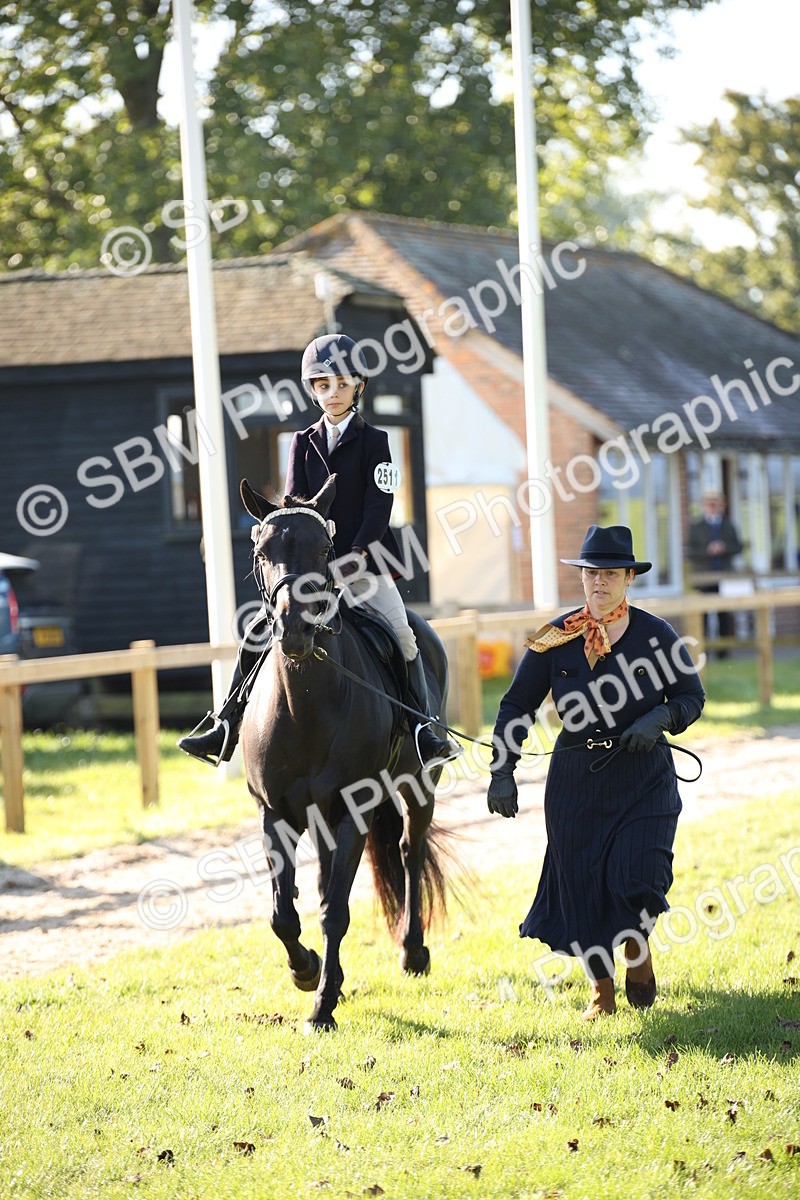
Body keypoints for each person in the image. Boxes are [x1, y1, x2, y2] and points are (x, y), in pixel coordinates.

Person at [178, 332, 460, 770]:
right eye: (323, 385)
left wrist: (358, 555)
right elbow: (295, 503)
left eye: (342, 384)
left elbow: (378, 507)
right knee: (256, 631)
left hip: (366, 563)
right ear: (313, 390)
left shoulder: (376, 442)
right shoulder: (302, 442)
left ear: (358, 387)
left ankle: (424, 731)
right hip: (311, 567)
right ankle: (226, 723)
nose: (333, 394)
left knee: (403, 633)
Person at [486, 526, 705, 1021]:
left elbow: (692, 696)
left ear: (629, 579)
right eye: (591, 573)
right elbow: (517, 705)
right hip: (575, 781)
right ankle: (600, 991)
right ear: (582, 579)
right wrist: (502, 769)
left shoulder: (656, 635)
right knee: (582, 887)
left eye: (610, 573)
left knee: (637, 878)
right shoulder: (555, 638)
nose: (599, 582)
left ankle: (637, 956)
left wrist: (659, 719)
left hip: (644, 777)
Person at [687, 491, 743, 650]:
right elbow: (691, 551)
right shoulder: (696, 527)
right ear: (704, 506)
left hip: (724, 577)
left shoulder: (728, 525)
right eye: (709, 503)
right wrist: (707, 550)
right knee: (702, 616)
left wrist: (723, 548)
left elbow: (738, 546)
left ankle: (723, 651)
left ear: (721, 505)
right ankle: (702, 650)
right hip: (703, 578)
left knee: (723, 614)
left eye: (715, 503)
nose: (712, 506)